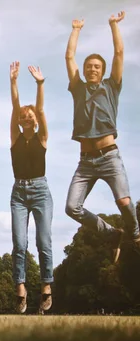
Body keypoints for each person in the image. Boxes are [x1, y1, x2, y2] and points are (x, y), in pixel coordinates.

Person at [64, 11, 139, 262]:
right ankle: (111, 234)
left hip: (109, 156)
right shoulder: (78, 89)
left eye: (96, 67)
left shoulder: (111, 87)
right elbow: (69, 56)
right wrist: (76, 30)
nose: (92, 69)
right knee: (71, 208)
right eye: (89, 67)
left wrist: (113, 25)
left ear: (103, 71)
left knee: (125, 202)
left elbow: (118, 53)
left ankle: (136, 234)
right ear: (84, 72)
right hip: (85, 161)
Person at [9, 62, 53, 314]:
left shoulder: (42, 137)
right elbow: (15, 107)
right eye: (23, 116)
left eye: (30, 115)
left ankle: (47, 286)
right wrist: (13, 83)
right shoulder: (15, 138)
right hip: (19, 194)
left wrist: (39, 84)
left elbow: (42, 109)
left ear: (35, 120)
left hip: (40, 192)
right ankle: (21, 289)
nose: (27, 117)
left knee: (43, 241)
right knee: (19, 243)